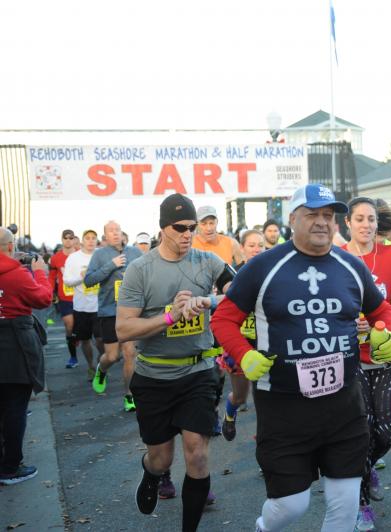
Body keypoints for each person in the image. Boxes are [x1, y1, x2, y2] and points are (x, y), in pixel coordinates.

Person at [210, 183, 391, 532]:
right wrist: (244, 354)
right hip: (284, 407)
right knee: (290, 505)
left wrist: (390, 335)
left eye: (328, 216)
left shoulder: (350, 266)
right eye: (312, 214)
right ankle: (263, 527)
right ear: (293, 219)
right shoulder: (264, 266)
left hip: (344, 404)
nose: (322, 222)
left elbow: (382, 310)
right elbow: (223, 318)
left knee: (344, 507)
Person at [115, 193, 235, 532]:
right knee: (162, 458)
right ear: (162, 228)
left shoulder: (207, 261)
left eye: (192, 227)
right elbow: (123, 328)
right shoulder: (140, 269)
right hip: (153, 375)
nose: (187, 234)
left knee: (196, 452)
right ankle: (152, 475)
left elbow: (241, 291)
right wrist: (169, 316)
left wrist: (208, 300)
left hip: (197, 373)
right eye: (179, 227)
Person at [342, 197, 391, 531]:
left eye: (370, 219)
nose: (366, 225)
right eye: (359, 219)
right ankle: (361, 505)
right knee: (361, 431)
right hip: (349, 358)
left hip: (385, 356)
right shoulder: (336, 258)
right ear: (348, 224)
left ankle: (368, 468)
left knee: (384, 433)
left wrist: (376, 322)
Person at [0, 227, 51, 485]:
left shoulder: (13, 269)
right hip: (14, 342)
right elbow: (43, 298)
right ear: (10, 247)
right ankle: (10, 467)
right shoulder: (17, 275)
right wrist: (40, 272)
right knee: (15, 407)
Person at [85, 221, 143, 412]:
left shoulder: (135, 252)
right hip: (109, 311)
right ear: (106, 236)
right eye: (111, 231)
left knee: (130, 353)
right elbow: (89, 280)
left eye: (117, 230)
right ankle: (101, 370)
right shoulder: (100, 255)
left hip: (131, 310)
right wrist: (111, 266)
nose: (115, 233)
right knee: (112, 355)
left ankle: (129, 395)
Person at [219, 229, 265, 440]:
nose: (256, 249)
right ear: (242, 248)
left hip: (265, 342)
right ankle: (230, 413)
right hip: (239, 343)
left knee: (264, 398)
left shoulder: (272, 271)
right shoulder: (233, 274)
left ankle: (264, 444)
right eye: (251, 245)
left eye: (260, 245)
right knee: (240, 396)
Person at [63, 230, 103, 379]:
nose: (91, 241)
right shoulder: (73, 258)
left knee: (100, 339)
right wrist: (82, 278)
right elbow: (67, 280)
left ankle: (102, 360)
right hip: (81, 306)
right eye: (88, 238)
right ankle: (91, 366)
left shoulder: (101, 255)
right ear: (82, 242)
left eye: (94, 238)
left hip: (100, 305)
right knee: (85, 339)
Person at [49, 229, 78, 368]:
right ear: (62, 239)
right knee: (69, 325)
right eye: (65, 238)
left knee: (81, 329)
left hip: (82, 297)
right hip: (64, 297)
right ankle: (73, 357)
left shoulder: (80, 254)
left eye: (70, 238)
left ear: (74, 239)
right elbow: (51, 277)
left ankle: (76, 337)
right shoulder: (56, 258)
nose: (68, 240)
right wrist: (50, 292)